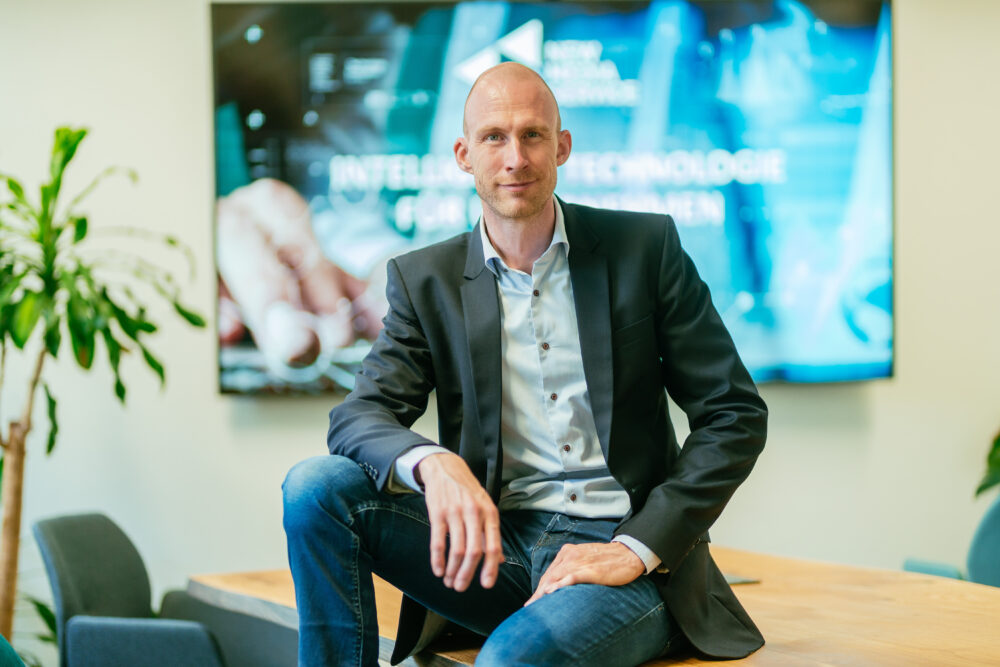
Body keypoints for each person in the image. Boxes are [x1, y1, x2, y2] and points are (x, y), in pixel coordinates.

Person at [282, 63, 768, 666]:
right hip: (495, 548)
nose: (515, 158)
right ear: (464, 155)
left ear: (561, 146)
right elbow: (359, 416)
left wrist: (638, 547)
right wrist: (434, 463)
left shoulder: (645, 249)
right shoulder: (425, 279)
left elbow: (734, 414)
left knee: (511, 661)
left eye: (532, 135)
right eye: (494, 137)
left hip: (618, 551)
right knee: (317, 488)